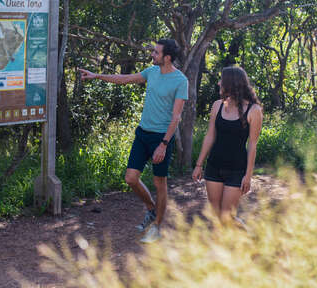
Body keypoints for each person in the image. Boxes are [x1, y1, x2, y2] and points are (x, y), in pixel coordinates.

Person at [80, 39, 188, 243]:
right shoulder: (151, 72)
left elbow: (176, 117)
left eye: (156, 53)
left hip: (161, 137)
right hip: (143, 133)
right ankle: (151, 209)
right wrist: (97, 76)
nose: (152, 55)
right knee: (130, 178)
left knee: (160, 182)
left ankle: (157, 226)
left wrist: (164, 144)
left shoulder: (180, 81)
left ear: (167, 57)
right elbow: (125, 78)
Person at [192, 66, 263, 222]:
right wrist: (199, 165)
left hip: (237, 170)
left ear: (231, 84)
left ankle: (247, 236)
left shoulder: (254, 110)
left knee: (226, 218)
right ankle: (223, 246)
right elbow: (210, 135)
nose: (218, 84)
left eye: (221, 81)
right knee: (217, 217)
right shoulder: (217, 105)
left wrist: (248, 176)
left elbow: (252, 144)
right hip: (214, 166)